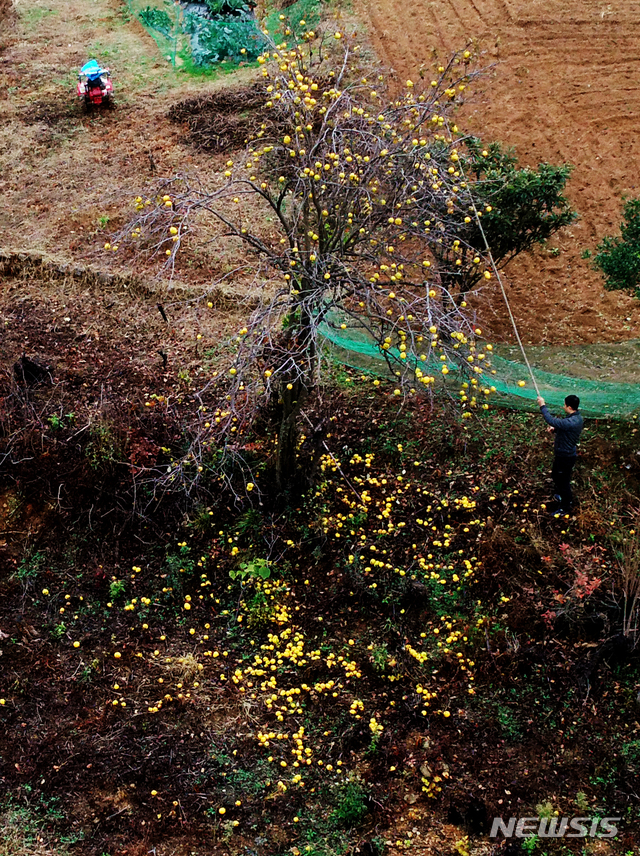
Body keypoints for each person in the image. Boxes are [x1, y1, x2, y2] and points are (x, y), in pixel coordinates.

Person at [536, 394, 584, 514]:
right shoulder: (576, 418)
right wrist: (555, 429)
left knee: (564, 482)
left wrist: (542, 405)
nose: (563, 407)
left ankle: (565, 507)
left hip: (566, 457)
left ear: (569, 406)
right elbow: (565, 428)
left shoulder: (571, 421)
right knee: (556, 476)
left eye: (564, 405)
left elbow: (551, 420)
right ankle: (560, 494)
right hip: (562, 455)